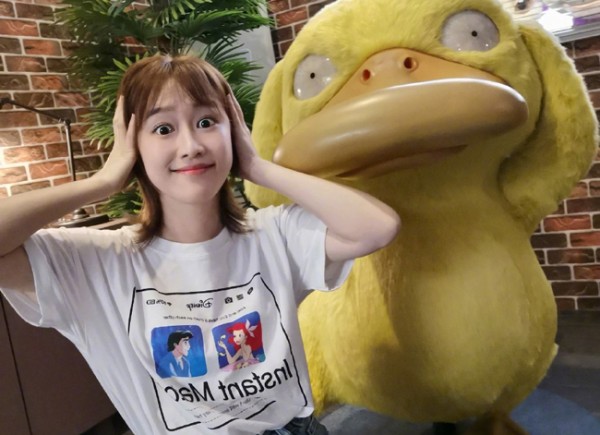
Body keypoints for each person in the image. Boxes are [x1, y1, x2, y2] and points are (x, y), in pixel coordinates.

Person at [0, 54, 400, 435]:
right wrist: (102, 182)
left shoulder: (275, 234)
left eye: (207, 121)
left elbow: (377, 227)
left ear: (233, 131)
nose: (191, 145)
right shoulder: (98, 263)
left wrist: (257, 167)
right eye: (163, 129)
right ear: (132, 147)